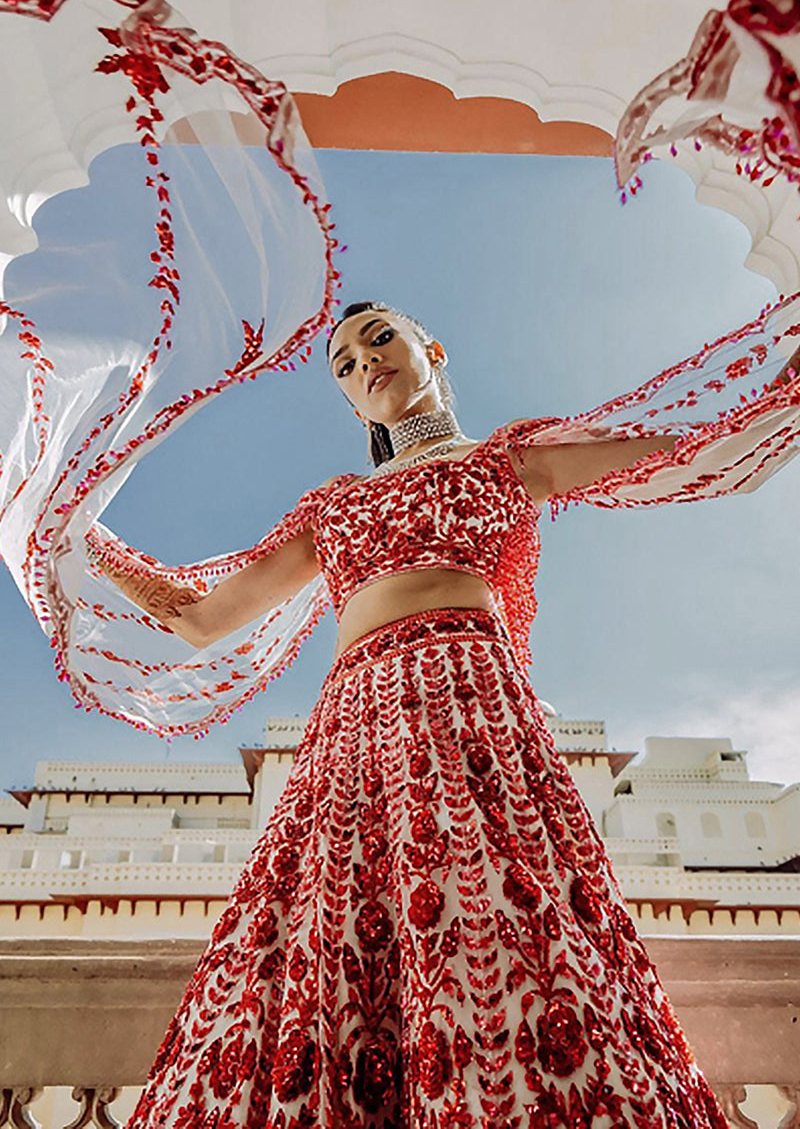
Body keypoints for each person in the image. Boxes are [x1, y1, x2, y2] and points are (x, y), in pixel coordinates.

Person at [93, 298, 763, 1129]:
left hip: (474, 708)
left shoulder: (504, 460)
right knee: (328, 946)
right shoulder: (332, 507)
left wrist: (773, 407)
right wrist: (74, 529)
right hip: (355, 730)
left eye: (379, 340)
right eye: (343, 365)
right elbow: (198, 617)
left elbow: (676, 455)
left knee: (500, 932)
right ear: (347, 401)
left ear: (430, 348)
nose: (364, 363)